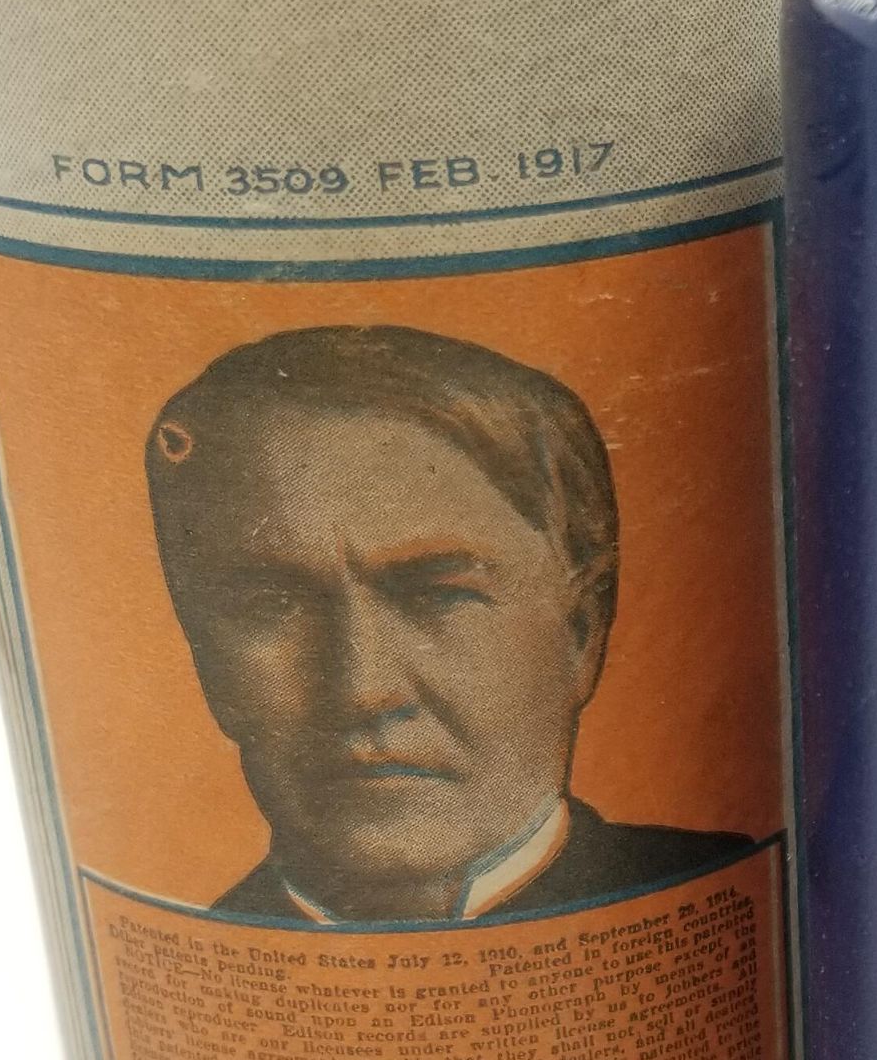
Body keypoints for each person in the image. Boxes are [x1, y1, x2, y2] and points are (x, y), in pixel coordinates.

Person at [145, 323, 748, 923]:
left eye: (437, 596)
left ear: (582, 634)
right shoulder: (180, 948)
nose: (364, 691)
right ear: (205, 654)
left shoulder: (735, 891)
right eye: (272, 607)